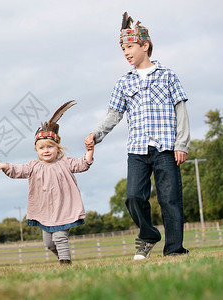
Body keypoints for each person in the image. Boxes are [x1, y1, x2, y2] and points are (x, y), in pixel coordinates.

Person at [85, 12, 190, 260]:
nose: (126, 52)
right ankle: (149, 233)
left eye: (130, 47)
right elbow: (113, 115)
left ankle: (174, 249)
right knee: (133, 196)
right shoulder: (123, 82)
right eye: (123, 48)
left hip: (166, 147)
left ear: (145, 46)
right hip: (137, 150)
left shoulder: (168, 75)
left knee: (170, 199)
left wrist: (182, 144)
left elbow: (181, 111)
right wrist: (96, 134)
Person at [0, 101, 94, 265]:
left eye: (50, 147)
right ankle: (63, 257)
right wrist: (4, 165)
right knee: (49, 243)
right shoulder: (34, 167)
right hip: (45, 212)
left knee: (60, 237)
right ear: (37, 151)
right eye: (42, 148)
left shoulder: (65, 163)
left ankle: (65, 264)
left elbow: (83, 165)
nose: (46, 150)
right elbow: (18, 170)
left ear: (58, 149)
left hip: (64, 209)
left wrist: (89, 151)